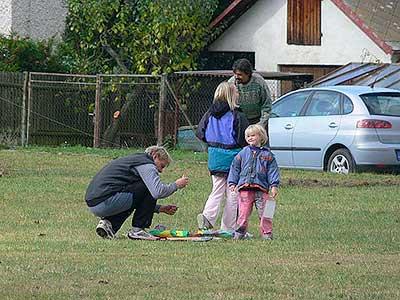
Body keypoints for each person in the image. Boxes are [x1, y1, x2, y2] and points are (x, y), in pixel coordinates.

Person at [85, 146, 189, 240]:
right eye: (162, 166)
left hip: (95, 202)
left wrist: (159, 208)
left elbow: (136, 198)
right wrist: (176, 185)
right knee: (147, 186)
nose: (161, 171)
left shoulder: (135, 160)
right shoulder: (147, 164)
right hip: (106, 200)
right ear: (155, 156)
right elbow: (157, 192)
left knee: (138, 190)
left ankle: (108, 224)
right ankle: (138, 230)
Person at [195, 82, 249, 232]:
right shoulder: (237, 115)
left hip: (215, 156)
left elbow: (200, 133)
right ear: (231, 95)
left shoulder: (209, 114)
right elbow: (243, 138)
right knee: (232, 192)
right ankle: (228, 226)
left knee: (217, 189)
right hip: (233, 158)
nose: (238, 94)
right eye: (236, 92)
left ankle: (207, 217)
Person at [228, 124, 280, 240]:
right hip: (245, 188)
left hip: (262, 188)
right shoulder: (243, 153)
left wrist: (274, 185)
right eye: (248, 136)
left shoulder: (268, 155)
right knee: (243, 212)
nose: (250, 138)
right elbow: (235, 167)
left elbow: (272, 171)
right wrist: (232, 182)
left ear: (261, 137)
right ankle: (240, 232)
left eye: (253, 135)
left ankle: (267, 233)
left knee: (266, 212)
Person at [228, 58, 272, 140]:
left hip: (257, 119)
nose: (236, 77)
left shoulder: (259, 82)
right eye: (235, 74)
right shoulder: (231, 83)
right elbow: (228, 104)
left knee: (261, 146)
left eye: (239, 75)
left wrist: (261, 124)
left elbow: (267, 105)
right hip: (240, 119)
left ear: (248, 73)